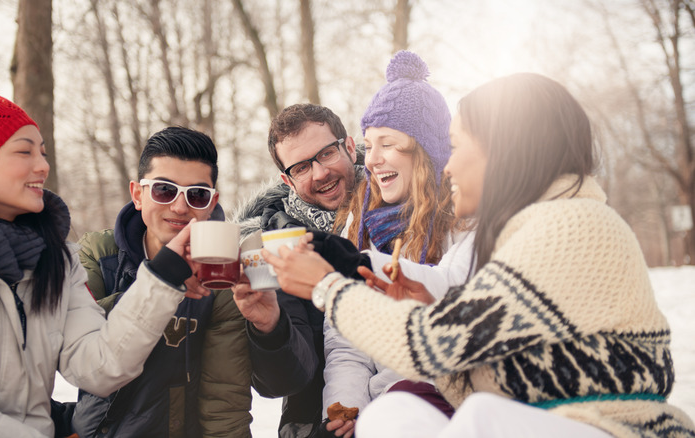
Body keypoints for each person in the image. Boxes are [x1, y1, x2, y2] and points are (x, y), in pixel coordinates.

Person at [264, 73, 695, 437]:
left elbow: (441, 342)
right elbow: (454, 315)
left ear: (505, 151)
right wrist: (365, 267)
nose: (448, 164)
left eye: (458, 146)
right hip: (563, 417)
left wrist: (328, 284)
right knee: (398, 414)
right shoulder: (537, 223)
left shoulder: (565, 228)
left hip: (610, 426)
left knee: (448, 417)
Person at [0, 94, 208, 438]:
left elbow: (100, 366)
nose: (42, 166)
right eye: (25, 152)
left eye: (43, 153)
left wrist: (162, 277)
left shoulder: (57, 262)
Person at [322, 51, 473, 437]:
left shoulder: (463, 222)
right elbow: (346, 341)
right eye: (369, 145)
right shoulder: (359, 226)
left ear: (424, 150)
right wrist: (347, 407)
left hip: (447, 403)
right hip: (379, 408)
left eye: (387, 143)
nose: (372, 160)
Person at [71, 126, 252, 437]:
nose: (180, 207)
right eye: (164, 190)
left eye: (197, 195)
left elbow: (225, 401)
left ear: (211, 203)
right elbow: (84, 354)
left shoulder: (221, 277)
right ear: (138, 195)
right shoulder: (98, 255)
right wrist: (163, 277)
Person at [230, 103, 362, 437]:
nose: (319, 173)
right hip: (318, 425)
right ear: (287, 179)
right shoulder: (276, 246)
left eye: (327, 154)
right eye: (302, 167)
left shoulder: (404, 208)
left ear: (349, 147)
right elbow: (283, 381)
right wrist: (269, 326)